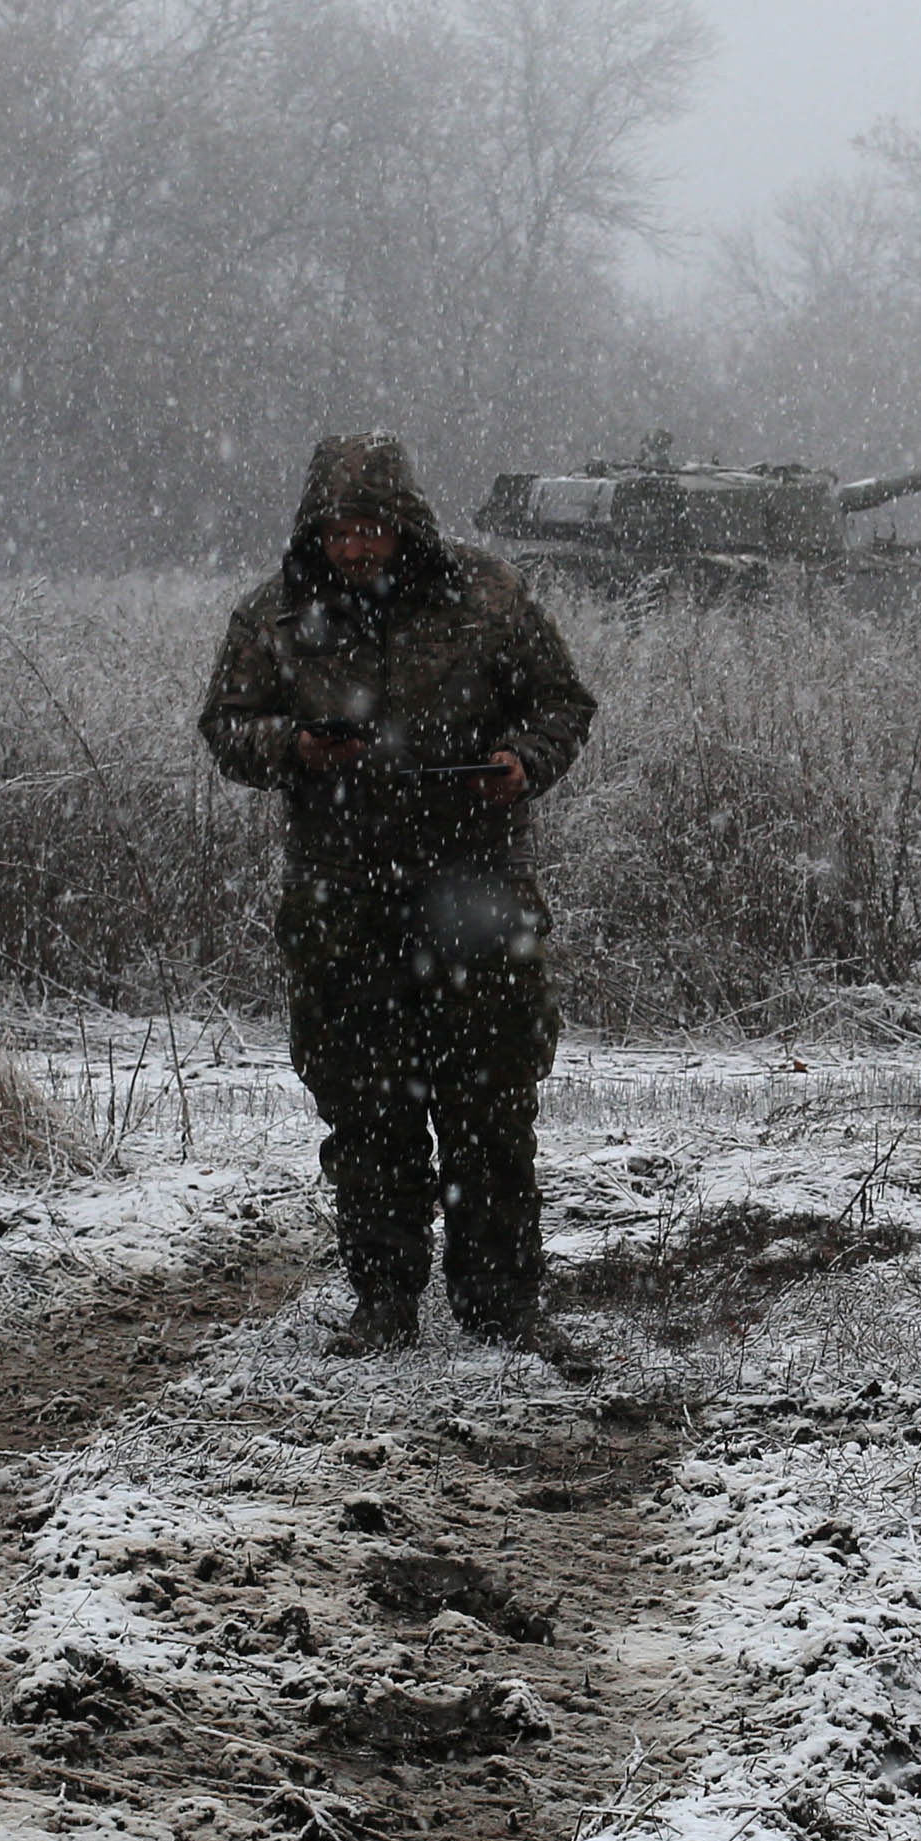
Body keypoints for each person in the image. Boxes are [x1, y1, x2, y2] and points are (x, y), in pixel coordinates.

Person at [200, 433, 598, 1369]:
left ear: (406, 524)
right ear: (316, 531)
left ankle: (502, 1308)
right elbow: (225, 724)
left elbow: (562, 704)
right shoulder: (276, 614)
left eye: (372, 528)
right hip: (345, 902)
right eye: (340, 531)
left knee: (490, 1107)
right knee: (367, 1111)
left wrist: (520, 763)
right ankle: (384, 1303)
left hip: (478, 894)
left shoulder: (487, 597)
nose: (357, 548)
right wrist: (297, 748)